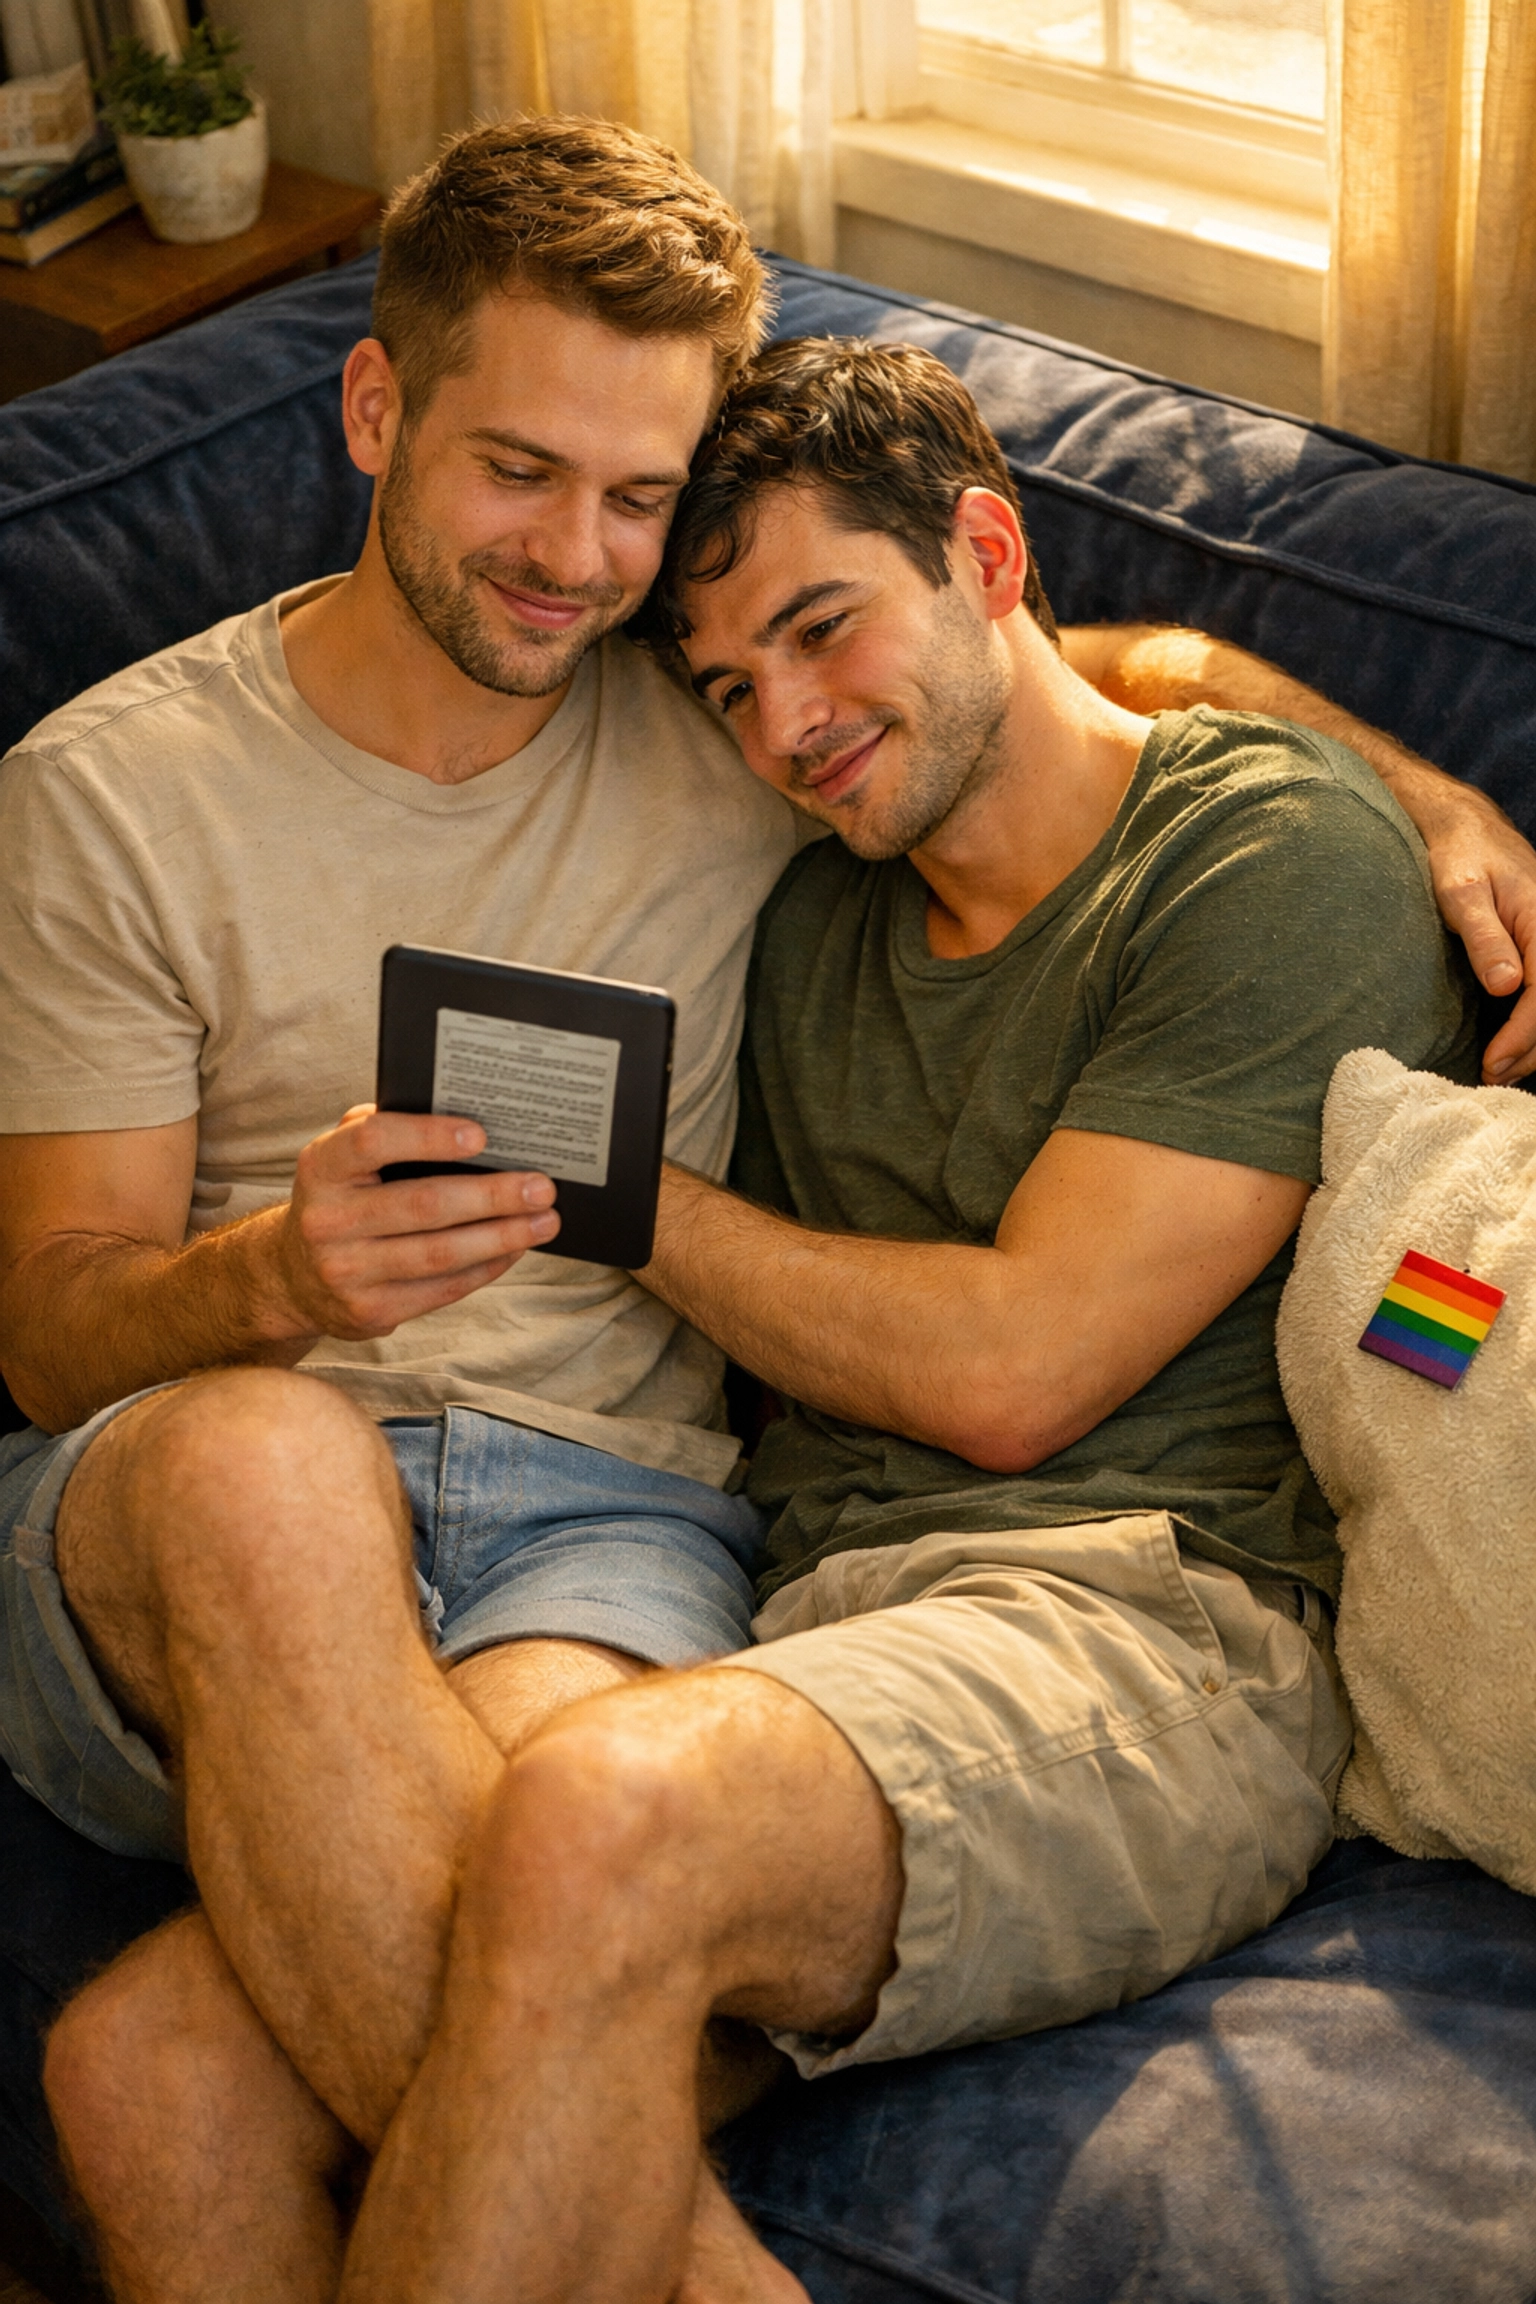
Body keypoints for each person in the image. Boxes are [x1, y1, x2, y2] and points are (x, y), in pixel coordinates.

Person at [9, 169, 1536, 2302]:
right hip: (638, 1578)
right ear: (372, 416)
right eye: (722, 678)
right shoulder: (769, 810)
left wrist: (1429, 798)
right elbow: (48, 1328)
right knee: (198, 1869)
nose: (776, 714)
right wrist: (269, 1276)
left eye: (639, 508)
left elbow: (1020, 1356)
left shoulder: (1123, 823)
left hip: (949, 1590)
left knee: (380, 1944)